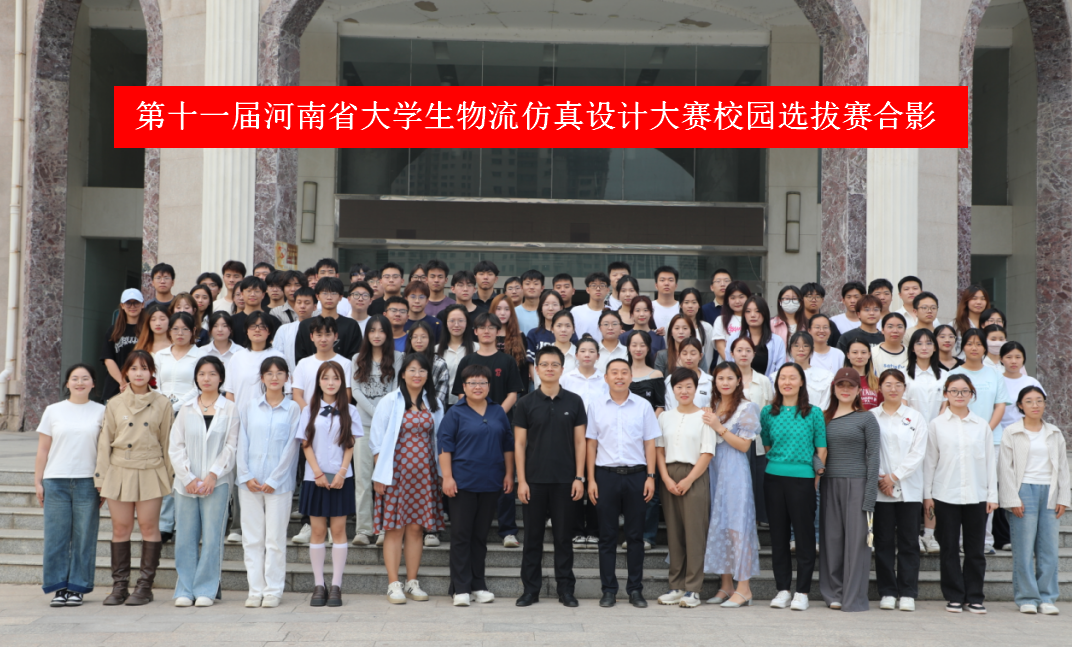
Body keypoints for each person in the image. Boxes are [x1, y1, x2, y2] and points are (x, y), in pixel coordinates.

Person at [94, 350, 173, 606]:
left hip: (151, 468)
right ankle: (119, 587)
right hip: (119, 469)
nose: (139, 373)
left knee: (149, 527)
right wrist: (100, 478)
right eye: (134, 368)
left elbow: (168, 442)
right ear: (126, 372)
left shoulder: (162, 403)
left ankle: (145, 587)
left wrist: (169, 476)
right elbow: (104, 442)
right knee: (121, 528)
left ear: (152, 372)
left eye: (144, 368)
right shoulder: (115, 403)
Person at [513, 346, 588, 608]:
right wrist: (521, 481)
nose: (549, 369)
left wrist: (579, 477)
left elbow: (580, 442)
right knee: (532, 539)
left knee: (563, 539)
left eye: (554, 364)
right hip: (534, 481)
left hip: (566, 481)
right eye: (544, 364)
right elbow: (519, 444)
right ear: (536, 369)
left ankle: (566, 590)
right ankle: (530, 590)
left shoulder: (574, 401)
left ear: (562, 369)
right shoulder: (525, 403)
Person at [584, 359, 659, 609]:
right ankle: (608, 590)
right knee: (606, 537)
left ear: (631, 377)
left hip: (637, 476)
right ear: (605, 378)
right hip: (605, 476)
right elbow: (591, 444)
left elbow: (650, 443)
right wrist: (591, 480)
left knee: (635, 536)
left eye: (624, 372)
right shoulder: (596, 406)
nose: (619, 376)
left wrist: (651, 476)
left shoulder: (643, 406)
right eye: (614, 373)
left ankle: (635, 590)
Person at [438, 364, 514, 607]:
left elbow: (508, 445)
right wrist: (447, 477)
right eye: (472, 382)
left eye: (482, 382)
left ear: (489, 386)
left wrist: (509, 474)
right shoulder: (455, 413)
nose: (477, 387)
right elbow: (444, 447)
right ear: (464, 386)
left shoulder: (497, 411)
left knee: (480, 536)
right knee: (461, 535)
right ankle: (460, 588)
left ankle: (478, 585)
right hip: (462, 483)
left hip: (491, 482)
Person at [923, 374, 999, 614]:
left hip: (977, 494)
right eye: (954, 390)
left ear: (971, 394)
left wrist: (993, 495)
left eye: (964, 391)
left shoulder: (981, 425)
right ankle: (954, 595)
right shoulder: (936, 425)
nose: (959, 395)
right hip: (945, 493)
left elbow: (990, 462)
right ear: (946, 394)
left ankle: (975, 596)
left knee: (975, 550)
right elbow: (930, 462)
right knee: (948, 548)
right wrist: (927, 495)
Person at [370, 353, 442, 605]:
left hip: (424, 476)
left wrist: (441, 475)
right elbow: (376, 441)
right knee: (394, 529)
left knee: (416, 528)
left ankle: (412, 582)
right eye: (412, 370)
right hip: (395, 475)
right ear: (403, 374)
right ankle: (393, 584)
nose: (417, 374)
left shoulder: (434, 403)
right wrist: (380, 475)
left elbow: (439, 440)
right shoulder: (390, 401)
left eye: (422, 370)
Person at [168, 356, 240, 607]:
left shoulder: (230, 408)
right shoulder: (186, 408)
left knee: (212, 538)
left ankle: (206, 589)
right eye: (201, 374)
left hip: (217, 484)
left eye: (212, 374)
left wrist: (212, 475)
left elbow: (231, 446)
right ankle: (185, 589)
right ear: (196, 378)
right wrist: (187, 477)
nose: (206, 378)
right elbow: (175, 446)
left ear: (221, 378)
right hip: (185, 485)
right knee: (185, 537)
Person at [35, 364, 107, 606]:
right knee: (56, 537)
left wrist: (103, 482)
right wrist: (38, 481)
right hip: (55, 480)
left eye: (85, 378)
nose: (80, 382)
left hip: (88, 481)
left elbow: (105, 451)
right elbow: (43, 449)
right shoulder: (53, 410)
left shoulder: (102, 411)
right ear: (67, 383)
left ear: (93, 384)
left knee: (84, 536)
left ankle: (78, 587)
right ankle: (59, 588)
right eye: (75, 378)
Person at [998, 386, 1070, 615]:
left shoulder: (1054, 433)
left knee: (1049, 549)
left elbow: (1063, 467)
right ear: (1020, 405)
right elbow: (1005, 469)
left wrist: (1064, 496)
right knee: (1023, 548)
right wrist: (1012, 498)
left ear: (1045, 404)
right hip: (1023, 491)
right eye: (1029, 401)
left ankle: (1047, 597)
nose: (1035, 405)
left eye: (1039, 400)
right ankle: (1027, 597)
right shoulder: (1012, 432)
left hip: (1050, 491)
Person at [236, 356, 301, 608]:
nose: (274, 378)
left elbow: (291, 448)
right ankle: (255, 590)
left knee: (275, 539)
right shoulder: (249, 406)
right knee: (252, 539)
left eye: (279, 373)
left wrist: (275, 478)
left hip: (279, 485)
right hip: (250, 483)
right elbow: (242, 442)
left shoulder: (293, 409)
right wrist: (245, 475)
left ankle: (273, 590)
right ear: (262, 378)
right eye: (269, 373)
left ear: (287, 377)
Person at [762, 363, 827, 612]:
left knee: (804, 536)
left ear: (801, 382)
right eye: (783, 378)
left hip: (803, 479)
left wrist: (815, 477)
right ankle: (783, 590)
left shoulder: (814, 413)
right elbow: (767, 445)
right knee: (778, 536)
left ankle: (802, 592)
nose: (787, 382)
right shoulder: (768, 412)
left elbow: (821, 448)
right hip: (774, 478)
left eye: (792, 378)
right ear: (777, 382)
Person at [298, 361, 361, 607]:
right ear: (319, 382)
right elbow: (305, 444)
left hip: (340, 477)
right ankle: (318, 584)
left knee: (338, 530)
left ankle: (336, 585)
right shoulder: (308, 410)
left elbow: (350, 444)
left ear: (342, 382)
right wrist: (317, 473)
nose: (331, 383)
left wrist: (342, 472)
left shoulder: (350, 411)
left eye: (336, 378)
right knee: (317, 531)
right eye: (326, 378)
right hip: (314, 478)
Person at [819, 367, 880, 612]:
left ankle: (853, 597)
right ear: (834, 388)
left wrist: (870, 494)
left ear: (858, 390)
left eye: (850, 386)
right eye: (841, 385)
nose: (845, 390)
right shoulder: (822, 417)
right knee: (831, 541)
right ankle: (833, 593)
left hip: (858, 483)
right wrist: (817, 467)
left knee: (857, 544)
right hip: (829, 483)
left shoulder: (867, 418)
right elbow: (813, 449)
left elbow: (874, 456)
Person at [701, 363, 762, 608]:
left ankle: (744, 588)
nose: (725, 382)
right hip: (712, 468)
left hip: (735, 469)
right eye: (720, 378)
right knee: (720, 526)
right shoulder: (712, 406)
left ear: (738, 380)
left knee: (738, 527)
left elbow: (744, 446)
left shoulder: (747, 407)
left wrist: (719, 427)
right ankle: (726, 586)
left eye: (730, 378)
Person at [946, 329, 1011, 555]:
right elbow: (946, 406)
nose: (974, 348)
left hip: (990, 439)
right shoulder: (953, 374)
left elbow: (1000, 405)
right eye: (969, 343)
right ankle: (961, 540)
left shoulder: (995, 374)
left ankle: (985, 540)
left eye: (979, 344)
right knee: (960, 487)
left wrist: (985, 430)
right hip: (958, 439)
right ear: (962, 347)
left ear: (985, 347)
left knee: (987, 489)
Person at [872, 368, 927, 612]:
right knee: (883, 542)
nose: (893, 389)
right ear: (880, 388)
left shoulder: (915, 417)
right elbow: (868, 450)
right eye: (888, 384)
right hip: (880, 490)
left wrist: (894, 477)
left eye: (898, 384)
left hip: (909, 490)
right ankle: (887, 591)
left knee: (909, 542)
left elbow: (918, 453)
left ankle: (907, 592)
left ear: (905, 388)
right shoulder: (871, 417)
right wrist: (882, 478)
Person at [352, 314, 404, 546]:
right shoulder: (356, 358)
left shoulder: (398, 357)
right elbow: (355, 391)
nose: (376, 335)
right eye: (372, 330)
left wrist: (382, 415)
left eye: (381, 330)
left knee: (386, 478)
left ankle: (385, 528)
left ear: (388, 334)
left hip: (389, 428)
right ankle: (364, 530)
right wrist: (376, 412)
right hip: (363, 426)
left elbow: (397, 390)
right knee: (363, 479)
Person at [731, 337, 775, 526]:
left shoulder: (763, 380)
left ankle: (760, 518)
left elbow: (769, 410)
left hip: (757, 440)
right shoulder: (726, 378)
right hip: (732, 439)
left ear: (754, 354)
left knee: (758, 479)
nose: (744, 354)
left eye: (748, 350)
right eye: (739, 350)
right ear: (732, 354)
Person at [295, 278, 362, 364]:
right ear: (317, 296)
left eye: (334, 293)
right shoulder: (305, 325)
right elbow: (300, 357)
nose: (329, 297)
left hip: (344, 371)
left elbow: (355, 357)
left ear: (340, 297)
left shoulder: (351, 325)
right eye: (325, 293)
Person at [293, 316, 354, 409]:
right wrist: (310, 415)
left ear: (336, 336)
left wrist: (333, 414)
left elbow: (347, 395)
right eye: (319, 335)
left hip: (337, 415)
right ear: (311, 337)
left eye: (328, 334)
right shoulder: (303, 364)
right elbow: (297, 395)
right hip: (308, 416)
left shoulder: (346, 364)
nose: (323, 339)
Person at [100, 288, 145, 401]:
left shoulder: (148, 330)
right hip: (115, 386)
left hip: (141, 386)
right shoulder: (113, 330)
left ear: (142, 304)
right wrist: (122, 381)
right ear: (122, 306)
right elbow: (108, 359)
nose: (132, 306)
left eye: (136, 302)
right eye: (128, 303)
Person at [406, 320, 450, 429]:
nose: (419, 341)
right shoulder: (402, 360)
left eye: (423, 337)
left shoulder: (439, 364)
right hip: (404, 414)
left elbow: (440, 398)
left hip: (431, 416)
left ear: (430, 339)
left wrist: (422, 414)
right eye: (415, 337)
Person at [436, 305, 476, 408]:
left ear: (467, 323)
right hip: (440, 403)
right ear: (445, 323)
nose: (456, 325)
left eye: (461, 320)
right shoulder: (435, 350)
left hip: (470, 404)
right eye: (452, 321)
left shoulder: (477, 348)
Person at [739, 296, 788, 378]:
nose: (753, 315)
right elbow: (730, 366)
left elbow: (779, 371)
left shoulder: (777, 341)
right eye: (748, 311)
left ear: (765, 313)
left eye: (758, 311)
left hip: (768, 385)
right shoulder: (735, 338)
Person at [273, 287, 317, 376]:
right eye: (299, 302)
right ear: (294, 306)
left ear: (315, 307)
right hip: (290, 378)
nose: (302, 306)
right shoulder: (284, 329)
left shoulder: (320, 329)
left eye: (307, 303)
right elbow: (277, 356)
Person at [490, 294, 530, 392]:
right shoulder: (486, 334)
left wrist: (523, 392)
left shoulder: (520, 335)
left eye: (507, 309)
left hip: (513, 389)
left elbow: (524, 369)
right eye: (498, 309)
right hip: (489, 387)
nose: (502, 313)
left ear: (511, 311)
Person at [663, 338, 712, 410]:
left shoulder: (710, 381)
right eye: (684, 354)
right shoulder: (670, 380)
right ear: (679, 355)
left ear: (700, 356)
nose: (688, 358)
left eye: (693, 354)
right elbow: (668, 406)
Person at [231, 277, 280, 348]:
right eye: (248, 291)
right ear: (242, 294)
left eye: (257, 291)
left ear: (263, 295)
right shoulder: (232, 320)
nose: (252, 294)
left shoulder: (273, 320)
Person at [525, 290, 572, 364]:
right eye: (546, 304)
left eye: (555, 304)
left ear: (561, 307)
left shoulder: (568, 332)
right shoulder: (533, 334)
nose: (550, 308)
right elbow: (530, 363)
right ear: (541, 308)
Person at [789, 331, 833, 409]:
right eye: (796, 345)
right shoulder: (778, 375)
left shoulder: (826, 376)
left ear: (812, 349)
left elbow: (825, 404)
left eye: (805, 346)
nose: (801, 349)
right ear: (790, 349)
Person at [712, 281, 751, 360]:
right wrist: (734, 365)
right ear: (727, 300)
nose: (737, 301)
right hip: (727, 365)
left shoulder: (754, 318)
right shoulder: (720, 320)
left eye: (741, 297)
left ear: (748, 298)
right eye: (733, 298)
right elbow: (720, 348)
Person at [678, 288, 714, 369]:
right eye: (686, 302)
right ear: (680, 305)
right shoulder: (672, 325)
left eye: (694, 302)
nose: (690, 306)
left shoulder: (706, 327)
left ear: (699, 305)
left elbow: (708, 354)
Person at [844, 340, 883, 410]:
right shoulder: (840, 382)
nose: (859, 356)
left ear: (869, 354)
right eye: (855, 352)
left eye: (863, 352)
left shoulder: (878, 382)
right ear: (848, 355)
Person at [572, 272, 611, 340]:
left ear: (607, 290)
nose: (598, 289)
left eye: (602, 285)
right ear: (587, 290)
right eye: (593, 285)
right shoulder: (576, 311)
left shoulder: (613, 311)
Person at [514, 269, 544, 335]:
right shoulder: (514, 312)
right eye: (527, 284)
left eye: (536, 284)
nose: (531, 287)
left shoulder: (547, 311)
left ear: (542, 288)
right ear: (521, 287)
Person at [652, 266, 681, 332]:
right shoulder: (649, 306)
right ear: (656, 285)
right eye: (662, 280)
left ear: (676, 285)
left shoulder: (682, 307)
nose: (666, 283)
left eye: (670, 280)